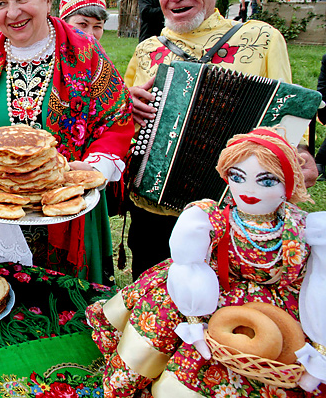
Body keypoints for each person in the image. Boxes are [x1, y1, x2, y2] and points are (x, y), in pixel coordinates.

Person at [87, 127, 326, 397]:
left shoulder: (306, 229)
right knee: (160, 320)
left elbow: (319, 284)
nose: (248, 190)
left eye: (267, 181)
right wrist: (193, 317)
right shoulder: (209, 218)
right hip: (210, 288)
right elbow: (188, 263)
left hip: (275, 306)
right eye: (237, 177)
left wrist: (319, 346)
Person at [0, 0, 133, 283]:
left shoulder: (85, 52)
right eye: (0, 4)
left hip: (66, 209)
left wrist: (95, 166)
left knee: (65, 306)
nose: (13, 12)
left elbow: (117, 120)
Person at [124, 0, 312, 278]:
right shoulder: (147, 50)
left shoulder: (261, 38)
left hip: (236, 206)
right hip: (154, 208)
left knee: (222, 302)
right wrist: (129, 109)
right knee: (149, 299)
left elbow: (289, 112)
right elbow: (121, 119)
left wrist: (300, 153)